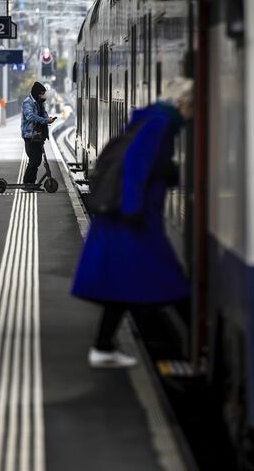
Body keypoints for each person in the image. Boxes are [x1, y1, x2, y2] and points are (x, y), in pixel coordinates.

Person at [71, 77, 194, 368]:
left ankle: (103, 347)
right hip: (134, 219)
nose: (192, 115)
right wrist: (132, 208)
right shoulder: (160, 124)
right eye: (191, 108)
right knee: (169, 280)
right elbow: (137, 164)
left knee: (124, 283)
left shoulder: (154, 119)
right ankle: (197, 344)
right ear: (180, 104)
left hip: (131, 218)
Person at [20, 81, 57, 191]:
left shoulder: (39, 102)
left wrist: (48, 118)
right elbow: (30, 116)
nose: (42, 95)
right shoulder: (28, 102)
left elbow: (43, 113)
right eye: (41, 93)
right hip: (29, 135)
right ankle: (27, 184)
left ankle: (32, 184)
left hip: (38, 135)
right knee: (34, 159)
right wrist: (45, 120)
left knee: (36, 160)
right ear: (36, 93)